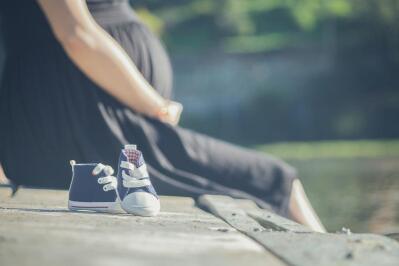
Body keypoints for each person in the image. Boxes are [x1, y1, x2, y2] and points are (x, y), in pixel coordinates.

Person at [0, 0, 326, 232]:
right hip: (79, 121)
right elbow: (77, 35)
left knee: (275, 181)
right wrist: (155, 105)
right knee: (275, 180)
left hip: (95, 120)